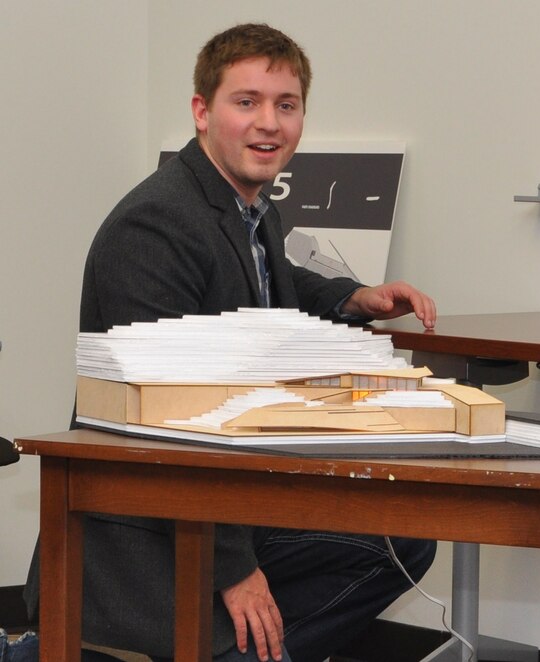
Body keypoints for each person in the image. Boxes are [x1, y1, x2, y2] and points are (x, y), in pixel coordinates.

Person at [24, 23, 437, 662]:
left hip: (228, 497)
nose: (268, 123)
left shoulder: (250, 208)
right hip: (143, 533)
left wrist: (353, 299)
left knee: (402, 542)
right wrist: (233, 570)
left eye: (286, 105)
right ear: (202, 112)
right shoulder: (156, 225)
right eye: (246, 103)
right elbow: (162, 417)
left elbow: (269, 287)